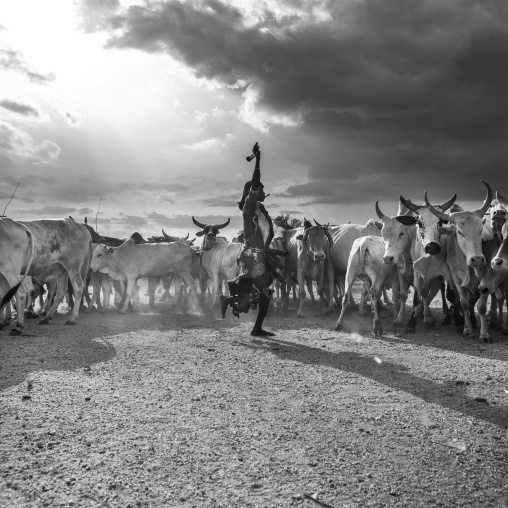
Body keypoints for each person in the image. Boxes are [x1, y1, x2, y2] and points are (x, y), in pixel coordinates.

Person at [220, 142, 285, 337]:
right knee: (263, 292)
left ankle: (233, 301)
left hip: (256, 254)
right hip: (252, 255)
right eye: (262, 190)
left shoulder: (257, 209)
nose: (264, 192)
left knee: (262, 292)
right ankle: (232, 300)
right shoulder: (250, 205)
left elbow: (263, 234)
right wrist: (258, 160)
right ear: (253, 192)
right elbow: (255, 183)